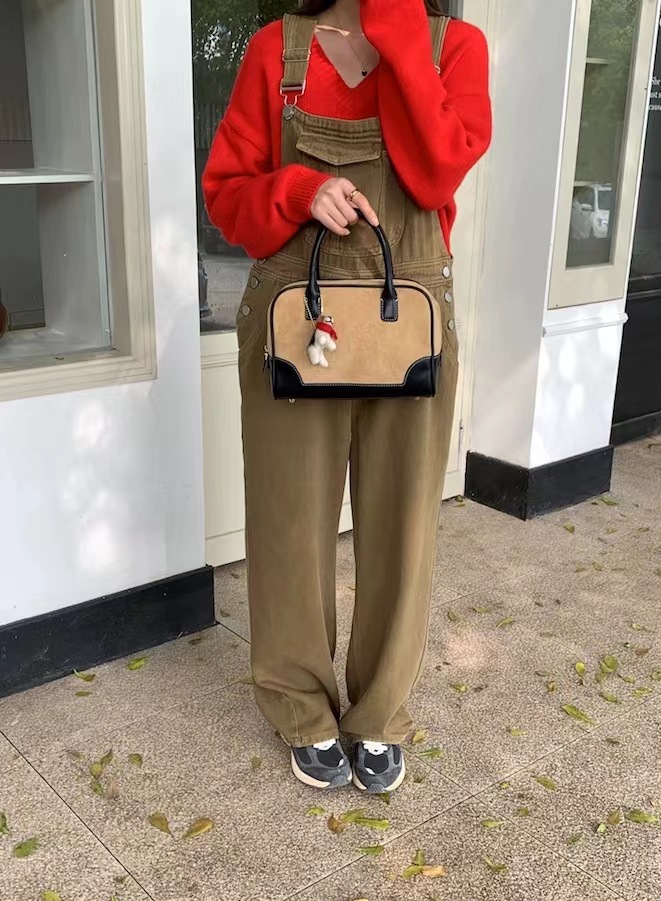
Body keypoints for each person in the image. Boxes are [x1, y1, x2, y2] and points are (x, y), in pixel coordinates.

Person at [203, 0, 491, 793]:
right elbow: (226, 195)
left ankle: (379, 712)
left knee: (403, 524)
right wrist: (298, 190)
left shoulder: (455, 46)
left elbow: (437, 170)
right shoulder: (277, 50)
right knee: (289, 521)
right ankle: (300, 705)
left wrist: (397, 29)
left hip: (410, 316)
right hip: (298, 320)